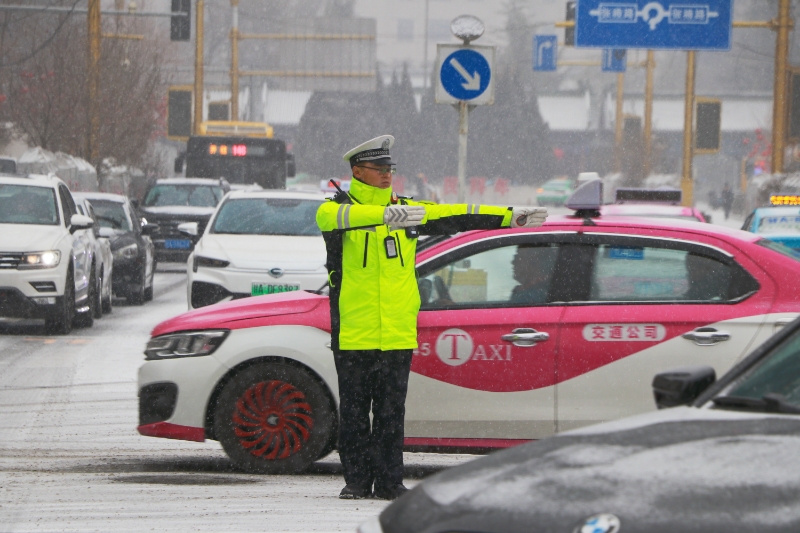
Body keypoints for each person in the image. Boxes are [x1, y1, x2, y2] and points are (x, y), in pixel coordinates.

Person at [316, 135, 547, 501]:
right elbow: (339, 219)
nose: (387, 175)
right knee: (356, 413)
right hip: (355, 330)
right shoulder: (335, 209)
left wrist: (509, 217)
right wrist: (385, 214)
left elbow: (456, 214)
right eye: (378, 169)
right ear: (358, 171)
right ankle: (356, 482)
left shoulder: (406, 209)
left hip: (397, 331)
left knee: (391, 414)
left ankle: (390, 482)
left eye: (390, 169)